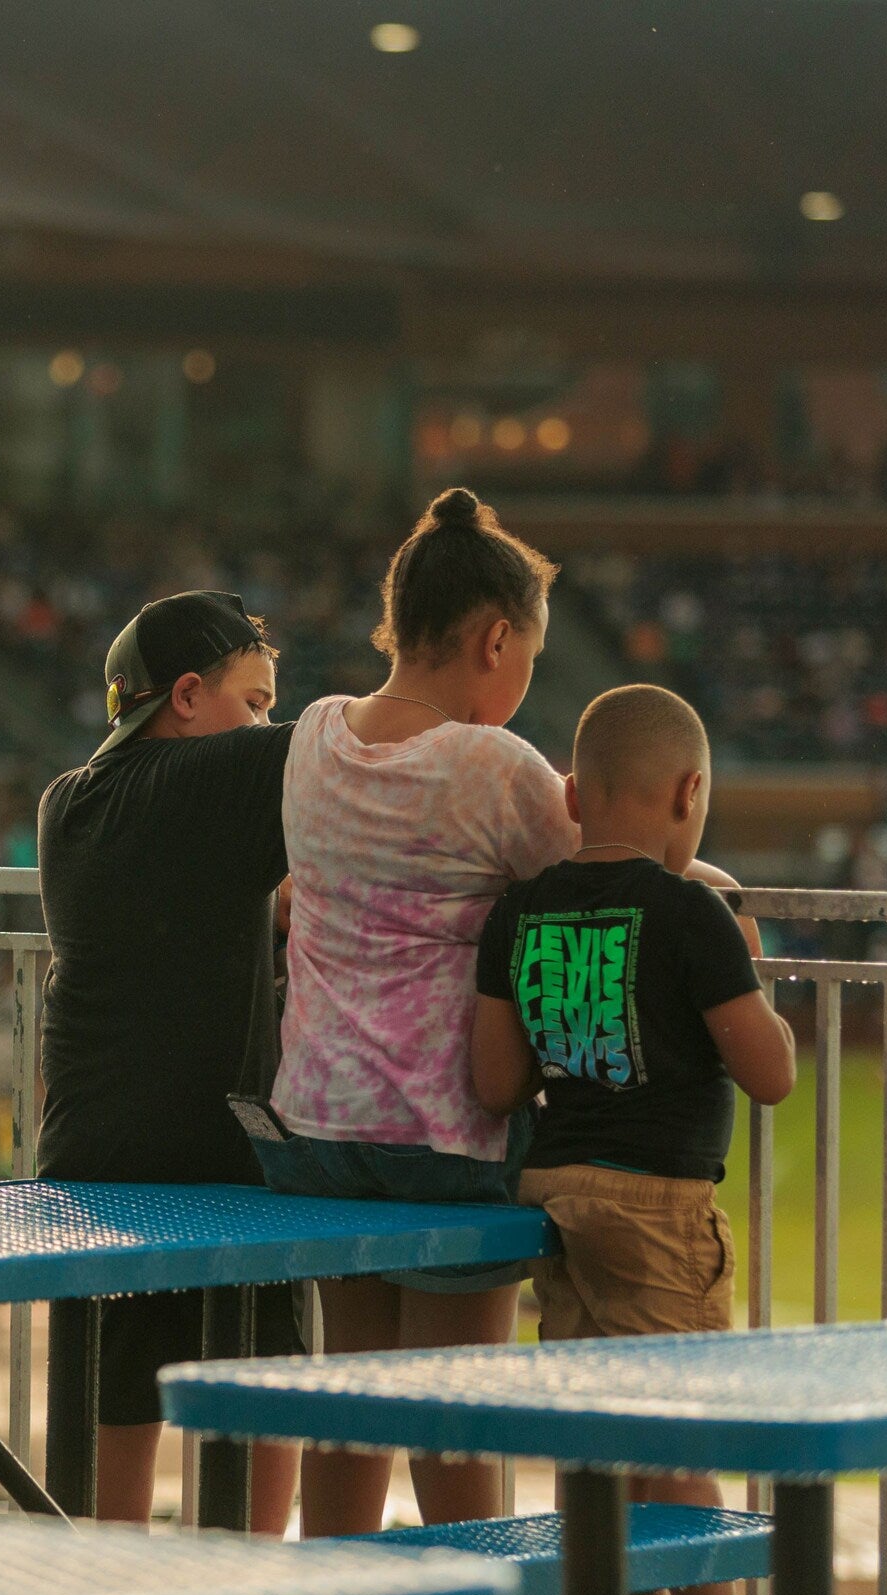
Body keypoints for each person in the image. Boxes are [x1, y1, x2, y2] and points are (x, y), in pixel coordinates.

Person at [248, 486, 577, 1535]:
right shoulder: (494, 764)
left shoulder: (312, 735)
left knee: (350, 1407)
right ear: (493, 639)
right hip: (448, 1130)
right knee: (452, 1416)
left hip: (318, 1126)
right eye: (527, 655)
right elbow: (601, 872)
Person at [474, 683, 796, 1595]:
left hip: (555, 1200)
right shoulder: (696, 915)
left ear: (574, 795)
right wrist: (746, 950)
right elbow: (769, 1073)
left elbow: (496, 1085)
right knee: (682, 1444)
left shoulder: (520, 913)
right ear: (690, 793)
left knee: (599, 1440)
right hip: (658, 1205)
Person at [35, 590, 303, 1531]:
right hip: (219, 1156)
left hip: (94, 1154)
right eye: (255, 699)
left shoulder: (66, 802)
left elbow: (173, 897)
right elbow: (353, 744)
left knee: (119, 1390)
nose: (266, 721)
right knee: (267, 1382)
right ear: (187, 696)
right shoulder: (216, 780)